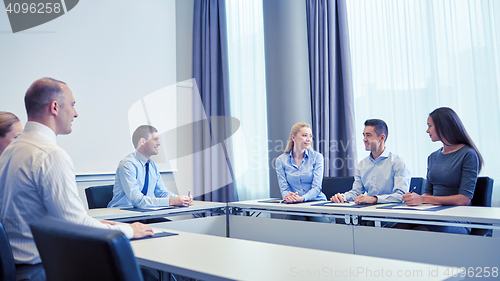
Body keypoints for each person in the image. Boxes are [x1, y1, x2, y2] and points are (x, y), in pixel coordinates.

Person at [0, 78, 153, 281]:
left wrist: (101, 224)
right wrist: (129, 230)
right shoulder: (49, 155)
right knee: (145, 275)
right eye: (72, 105)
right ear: (54, 107)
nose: (76, 113)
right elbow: (77, 228)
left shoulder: (10, 152)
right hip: (44, 271)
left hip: (19, 270)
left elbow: (52, 218)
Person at [402, 107, 483, 234]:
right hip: (434, 215)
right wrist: (414, 199)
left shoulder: (468, 154)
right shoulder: (432, 157)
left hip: (456, 219)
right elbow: (428, 194)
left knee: (417, 233)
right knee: (396, 228)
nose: (427, 130)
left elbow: (464, 199)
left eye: (429, 126)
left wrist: (423, 199)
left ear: (443, 127)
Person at [107, 125, 192, 208]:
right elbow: (137, 200)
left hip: (143, 213)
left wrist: (181, 199)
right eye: (155, 139)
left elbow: (162, 193)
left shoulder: (151, 165)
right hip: (123, 215)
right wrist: (171, 202)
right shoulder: (127, 164)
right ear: (143, 141)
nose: (159, 143)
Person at [331, 119, 411, 204]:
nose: (364, 139)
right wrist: (343, 197)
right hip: (367, 214)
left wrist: (374, 199)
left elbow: (401, 195)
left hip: (391, 214)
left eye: (368, 135)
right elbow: (356, 192)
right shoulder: (362, 164)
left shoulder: (398, 163)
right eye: (364, 135)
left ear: (382, 138)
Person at [275, 122, 327, 221]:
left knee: (320, 228)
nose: (308, 139)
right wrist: (288, 197)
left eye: (310, 136)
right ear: (293, 137)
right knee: (294, 229)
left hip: (315, 203)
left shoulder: (317, 157)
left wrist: (302, 198)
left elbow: (317, 188)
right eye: (304, 135)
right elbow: (284, 188)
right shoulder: (281, 160)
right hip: (295, 206)